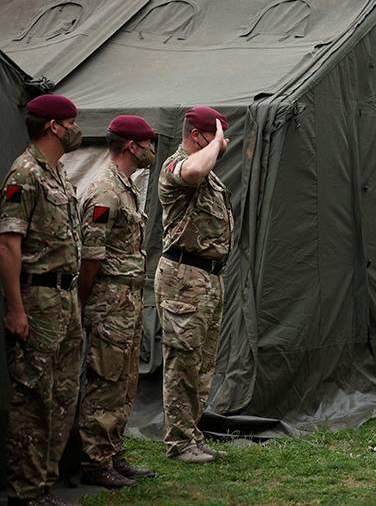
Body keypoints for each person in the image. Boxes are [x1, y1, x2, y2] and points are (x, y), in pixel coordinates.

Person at [0, 94, 83, 505]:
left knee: (63, 395)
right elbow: (8, 245)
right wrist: (16, 308)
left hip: (65, 298)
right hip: (38, 298)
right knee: (33, 397)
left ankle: (45, 483)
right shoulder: (26, 173)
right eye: (71, 123)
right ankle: (26, 491)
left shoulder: (59, 173)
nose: (76, 130)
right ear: (53, 126)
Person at [77, 115, 157, 488]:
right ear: (131, 146)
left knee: (124, 381)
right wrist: (84, 300)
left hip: (126, 299)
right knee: (105, 379)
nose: (151, 150)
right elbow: (91, 254)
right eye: (147, 144)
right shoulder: (106, 190)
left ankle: (112, 451)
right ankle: (95, 461)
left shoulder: (127, 188)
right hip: (109, 300)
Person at [155, 106, 233, 463]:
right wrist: (216, 144)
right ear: (198, 136)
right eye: (218, 136)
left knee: (202, 363)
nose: (225, 143)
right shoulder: (177, 165)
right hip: (184, 278)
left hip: (208, 278)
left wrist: (214, 144)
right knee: (182, 362)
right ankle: (179, 441)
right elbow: (194, 170)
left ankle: (192, 434)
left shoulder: (209, 176)